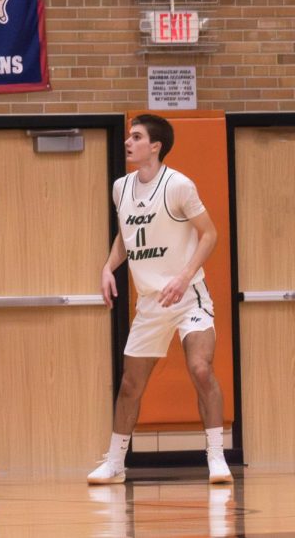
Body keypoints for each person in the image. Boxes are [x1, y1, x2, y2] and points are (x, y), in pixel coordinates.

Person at [88, 113, 231, 485]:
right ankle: (115, 462)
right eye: (128, 136)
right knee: (130, 385)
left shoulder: (179, 185)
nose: (128, 142)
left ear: (155, 146)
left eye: (136, 137)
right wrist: (108, 266)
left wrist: (184, 278)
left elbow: (210, 235)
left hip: (188, 296)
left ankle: (216, 457)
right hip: (151, 301)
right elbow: (127, 236)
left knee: (201, 369)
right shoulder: (122, 187)